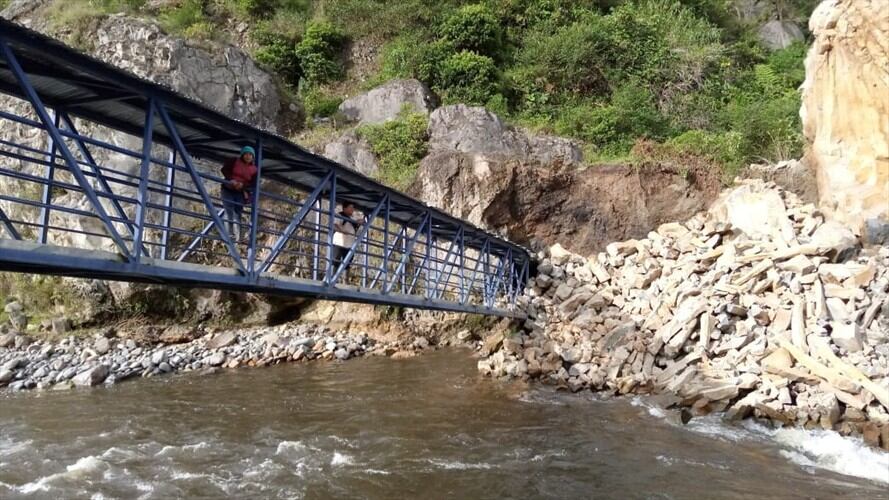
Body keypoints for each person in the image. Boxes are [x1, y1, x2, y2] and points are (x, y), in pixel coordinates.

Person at [220, 145, 258, 241]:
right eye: (246, 154)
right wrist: (231, 180)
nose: (248, 156)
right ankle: (229, 234)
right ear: (242, 155)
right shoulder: (234, 161)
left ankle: (238, 236)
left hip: (240, 192)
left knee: (238, 213)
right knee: (229, 210)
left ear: (253, 157)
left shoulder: (254, 170)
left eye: (250, 155)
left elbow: (253, 184)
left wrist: (243, 186)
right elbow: (224, 169)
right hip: (227, 189)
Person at [330, 202, 359, 280]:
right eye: (350, 207)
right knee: (336, 261)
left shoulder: (352, 219)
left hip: (349, 244)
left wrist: (359, 222)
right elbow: (335, 225)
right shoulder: (340, 215)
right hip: (339, 242)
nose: (352, 209)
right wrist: (342, 231)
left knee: (347, 263)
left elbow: (355, 227)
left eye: (353, 207)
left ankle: (345, 281)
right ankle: (332, 280)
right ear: (344, 208)